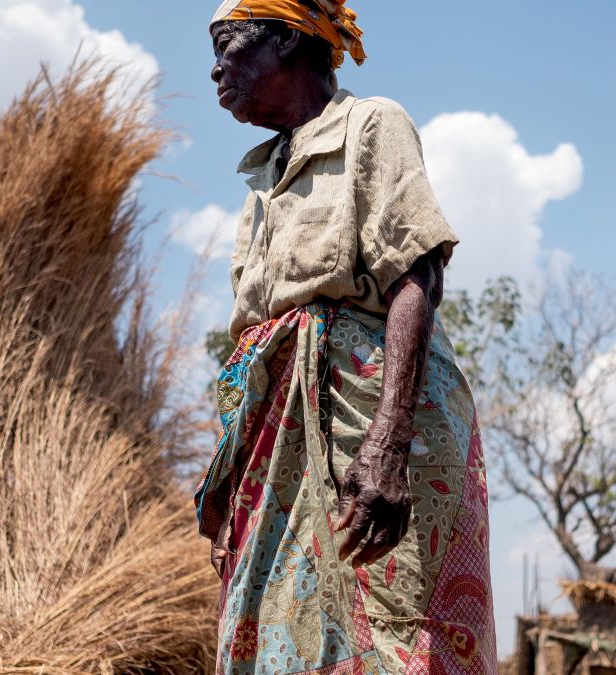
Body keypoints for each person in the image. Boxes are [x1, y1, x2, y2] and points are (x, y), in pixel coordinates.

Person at [194, 1, 496, 672]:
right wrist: (234, 483)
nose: (215, 69)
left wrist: (387, 445)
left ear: (287, 38)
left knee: (394, 630)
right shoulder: (261, 181)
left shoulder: (372, 124)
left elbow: (416, 276)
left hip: (374, 423)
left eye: (226, 44)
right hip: (276, 444)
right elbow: (254, 345)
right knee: (275, 635)